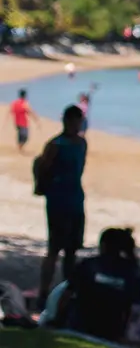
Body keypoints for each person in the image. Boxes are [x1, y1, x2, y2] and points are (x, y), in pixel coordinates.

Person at [33, 105, 88, 308]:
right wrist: (42, 186)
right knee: (54, 248)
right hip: (58, 200)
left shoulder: (82, 143)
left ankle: (67, 291)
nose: (75, 125)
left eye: (78, 121)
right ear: (65, 121)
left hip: (75, 199)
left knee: (72, 250)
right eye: (73, 121)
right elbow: (41, 166)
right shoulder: (56, 144)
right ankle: (43, 292)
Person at [60, 228, 140, 340]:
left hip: (81, 324)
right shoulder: (132, 270)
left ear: (103, 245)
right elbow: (135, 305)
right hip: (113, 328)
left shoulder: (88, 264)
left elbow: (67, 293)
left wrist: (58, 318)